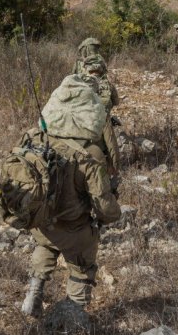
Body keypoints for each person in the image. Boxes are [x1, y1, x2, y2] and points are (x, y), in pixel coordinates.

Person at [20, 75, 121, 316]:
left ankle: (33, 293)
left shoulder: (36, 140)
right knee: (82, 266)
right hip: (74, 228)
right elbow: (104, 205)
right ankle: (72, 318)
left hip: (41, 222)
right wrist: (109, 218)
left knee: (46, 245)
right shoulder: (92, 153)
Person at [80, 54, 121, 176]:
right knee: (108, 150)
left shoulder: (79, 82)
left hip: (81, 126)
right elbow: (116, 102)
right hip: (103, 125)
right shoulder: (108, 84)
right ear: (102, 69)